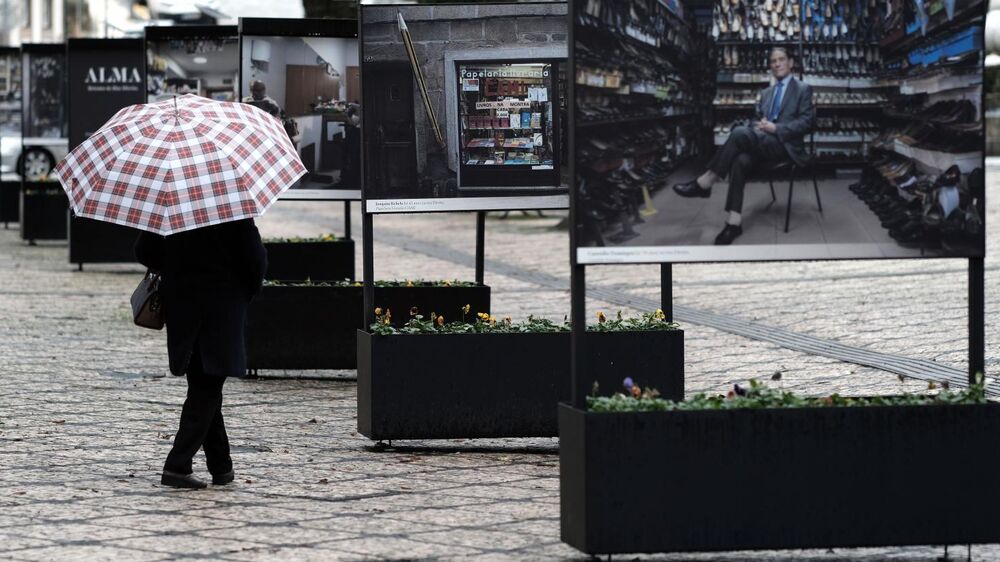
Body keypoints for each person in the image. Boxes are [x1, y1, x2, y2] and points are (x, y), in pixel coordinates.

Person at [135, 219, 267, 489]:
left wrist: (175, 263)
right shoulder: (231, 209)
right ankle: (177, 465)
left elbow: (145, 252)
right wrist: (244, 292)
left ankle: (221, 465)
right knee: (207, 386)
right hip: (222, 305)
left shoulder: (171, 209)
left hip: (183, 303)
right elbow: (255, 261)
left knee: (204, 382)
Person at [673, 46, 814, 245]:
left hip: (786, 147)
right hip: (763, 143)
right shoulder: (766, 93)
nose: (777, 64)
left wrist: (776, 128)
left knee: (738, 132)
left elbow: (807, 123)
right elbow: (755, 119)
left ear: (790, 62)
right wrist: (758, 126)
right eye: (773, 61)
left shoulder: (802, 89)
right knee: (740, 159)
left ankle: (706, 181)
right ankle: (734, 222)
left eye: (781, 59)